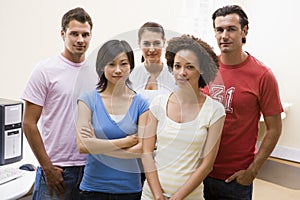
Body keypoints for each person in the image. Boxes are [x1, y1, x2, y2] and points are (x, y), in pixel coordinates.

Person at [203, 5, 283, 200]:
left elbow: (274, 129)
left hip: (235, 178)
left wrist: (253, 171)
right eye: (219, 30)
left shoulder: (263, 75)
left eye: (231, 29)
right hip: (199, 172)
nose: (224, 35)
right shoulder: (205, 69)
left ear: (244, 31)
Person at [21, 7, 94, 199]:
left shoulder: (97, 72)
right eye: (74, 34)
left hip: (90, 169)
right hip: (57, 170)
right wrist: (47, 167)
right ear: (63, 34)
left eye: (85, 34)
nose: (80, 40)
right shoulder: (45, 70)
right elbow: (28, 123)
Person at [141, 35, 226, 200]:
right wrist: (158, 196)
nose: (182, 73)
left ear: (201, 69)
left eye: (189, 67)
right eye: (177, 66)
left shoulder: (215, 111)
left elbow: (206, 165)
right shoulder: (158, 103)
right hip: (151, 195)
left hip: (189, 196)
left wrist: (176, 198)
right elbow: (146, 152)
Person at [76, 39, 149, 200]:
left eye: (123, 64)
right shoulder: (87, 100)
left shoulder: (141, 103)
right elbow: (82, 145)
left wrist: (97, 147)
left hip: (129, 189)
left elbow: (142, 149)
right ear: (102, 67)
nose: (118, 70)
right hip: (93, 188)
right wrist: (125, 142)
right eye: (111, 64)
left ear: (131, 66)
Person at [130, 21, 177, 103]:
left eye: (156, 43)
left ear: (164, 42)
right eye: (146, 44)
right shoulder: (131, 75)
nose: (151, 49)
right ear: (139, 43)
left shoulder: (174, 77)